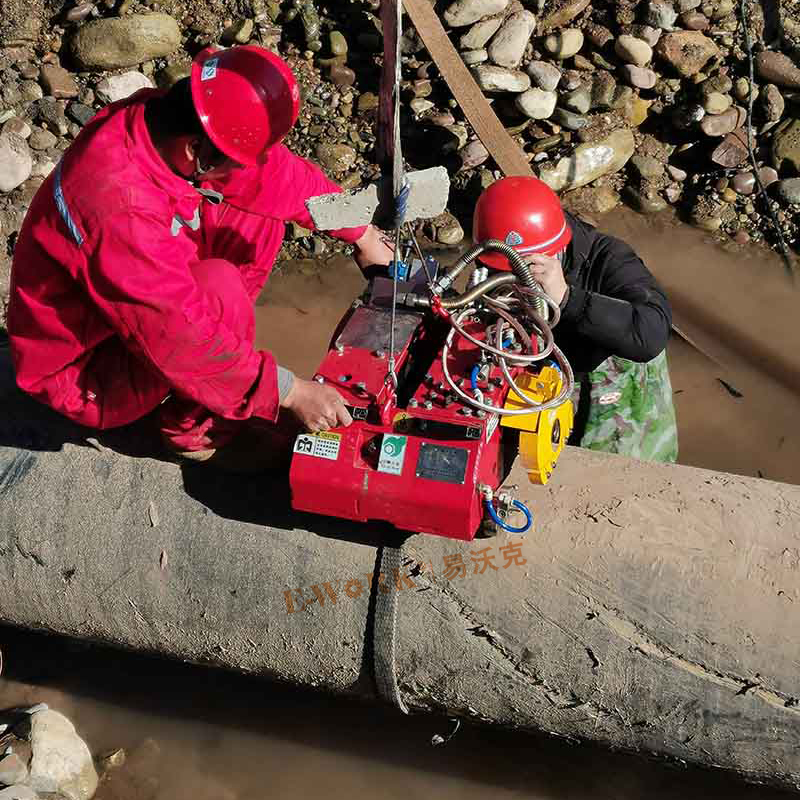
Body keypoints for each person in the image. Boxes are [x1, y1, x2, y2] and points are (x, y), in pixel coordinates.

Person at [7, 44, 394, 470]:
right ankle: (194, 428)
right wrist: (288, 391)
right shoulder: (120, 208)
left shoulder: (160, 121)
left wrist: (360, 231)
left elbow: (274, 178)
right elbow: (178, 334)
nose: (248, 169)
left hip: (126, 299)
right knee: (220, 291)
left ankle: (224, 356)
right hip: (82, 373)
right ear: (195, 150)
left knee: (257, 218)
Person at [472, 175, 678, 463]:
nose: (513, 279)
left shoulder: (610, 259)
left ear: (555, 250)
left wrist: (566, 297)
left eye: (524, 269)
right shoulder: (494, 260)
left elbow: (651, 333)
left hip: (621, 415)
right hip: (550, 405)